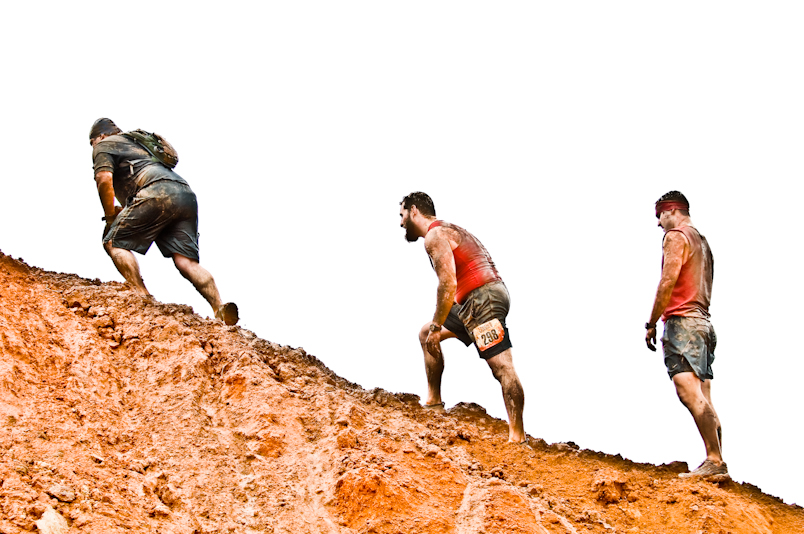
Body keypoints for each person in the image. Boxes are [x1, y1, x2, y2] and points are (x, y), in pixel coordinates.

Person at [399, 192, 526, 443]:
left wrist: (438, 324)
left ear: (414, 210)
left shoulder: (435, 236)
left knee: (502, 367)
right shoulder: (449, 229)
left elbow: (447, 284)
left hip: (482, 298)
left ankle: (518, 438)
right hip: (473, 301)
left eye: (402, 215)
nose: (401, 223)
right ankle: (434, 403)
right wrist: (434, 327)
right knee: (426, 334)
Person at [89, 118, 238, 325]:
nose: (93, 147)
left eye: (92, 142)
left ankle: (141, 295)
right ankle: (219, 307)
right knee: (186, 261)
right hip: (184, 194)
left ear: (101, 136)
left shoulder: (105, 144)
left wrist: (111, 216)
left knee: (113, 240)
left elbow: (104, 179)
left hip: (155, 192)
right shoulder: (137, 144)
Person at [646, 191, 726, 479]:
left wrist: (652, 321)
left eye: (659, 215)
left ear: (672, 210)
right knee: (704, 395)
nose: (658, 223)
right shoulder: (703, 243)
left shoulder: (676, 236)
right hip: (704, 323)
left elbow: (668, 280)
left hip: (684, 321)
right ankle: (715, 460)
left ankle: (714, 460)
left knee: (687, 390)